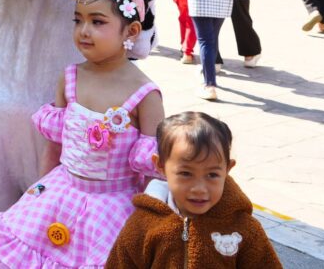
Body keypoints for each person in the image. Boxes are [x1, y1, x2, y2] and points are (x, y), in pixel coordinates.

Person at [0, 0, 165, 268]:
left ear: (130, 31)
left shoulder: (145, 94)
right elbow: (54, 145)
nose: (83, 31)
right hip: (60, 193)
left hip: (111, 211)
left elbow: (154, 173)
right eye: (78, 20)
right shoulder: (71, 77)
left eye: (97, 22)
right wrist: (40, 192)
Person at [105, 112, 282, 268]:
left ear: (227, 168)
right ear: (160, 166)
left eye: (212, 175)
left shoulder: (244, 229)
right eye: (185, 173)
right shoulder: (142, 226)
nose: (199, 189)